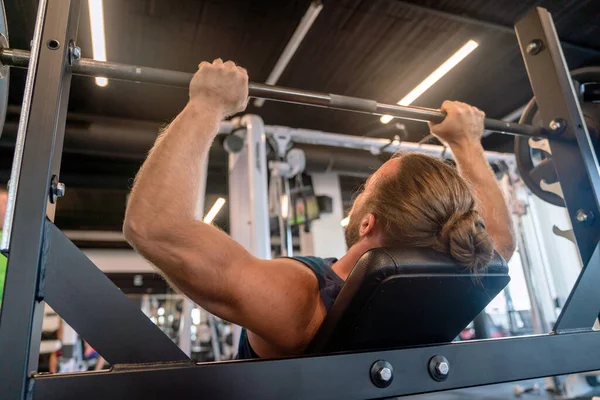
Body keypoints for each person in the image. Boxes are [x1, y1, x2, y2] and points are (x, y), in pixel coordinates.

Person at [123, 59, 516, 359]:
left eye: (369, 184)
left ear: (366, 223)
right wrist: (468, 143)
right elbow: (500, 242)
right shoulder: (458, 282)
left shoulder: (302, 300)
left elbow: (156, 226)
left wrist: (207, 103)